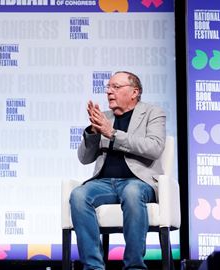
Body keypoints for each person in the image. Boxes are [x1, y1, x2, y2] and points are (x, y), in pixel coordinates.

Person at [70, 71, 166, 270]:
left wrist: (112, 133)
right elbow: (84, 158)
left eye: (116, 87)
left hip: (138, 181)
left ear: (134, 92)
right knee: (78, 195)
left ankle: (134, 266)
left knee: (132, 192)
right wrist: (93, 133)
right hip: (103, 183)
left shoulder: (152, 113)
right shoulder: (104, 118)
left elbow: (154, 147)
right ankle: (93, 266)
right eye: (108, 87)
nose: (109, 92)